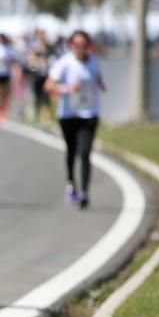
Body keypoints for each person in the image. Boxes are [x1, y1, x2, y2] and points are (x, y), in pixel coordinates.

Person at [44, 30, 106, 210]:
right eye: (76, 45)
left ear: (88, 46)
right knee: (72, 150)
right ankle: (71, 182)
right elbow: (48, 85)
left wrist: (101, 84)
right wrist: (67, 88)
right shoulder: (64, 63)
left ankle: (84, 192)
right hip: (69, 115)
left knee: (86, 151)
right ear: (71, 45)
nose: (80, 49)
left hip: (89, 113)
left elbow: (98, 77)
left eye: (84, 45)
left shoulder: (94, 61)